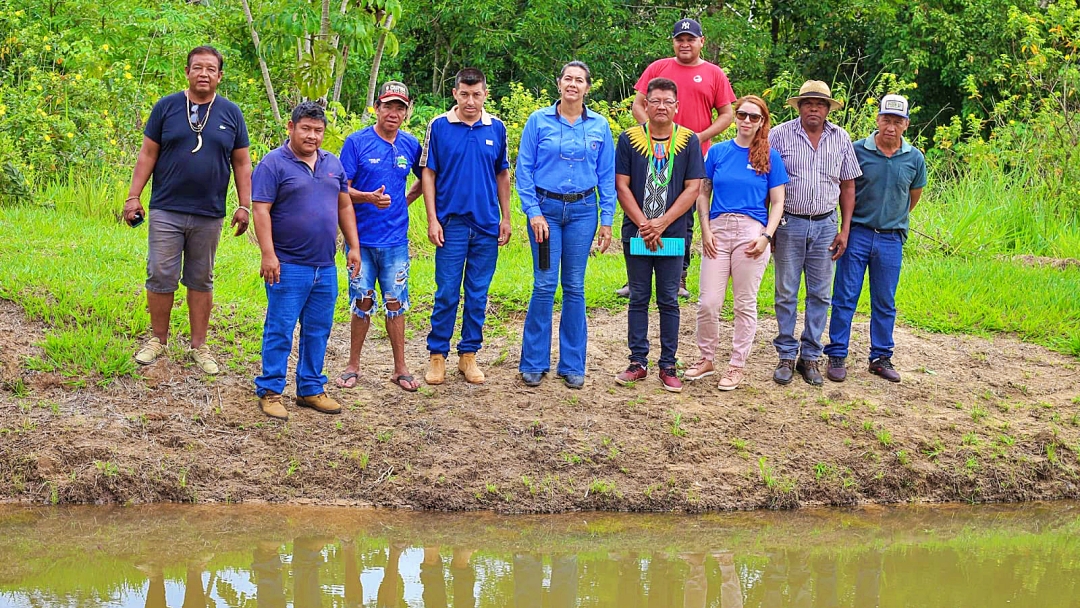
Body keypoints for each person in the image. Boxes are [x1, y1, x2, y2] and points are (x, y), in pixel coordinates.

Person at [123, 45, 252, 375]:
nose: (204, 74)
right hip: (167, 207)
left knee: (200, 278)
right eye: (198, 67)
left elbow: (241, 162)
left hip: (209, 212)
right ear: (187, 71)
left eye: (211, 69)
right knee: (160, 273)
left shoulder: (230, 113)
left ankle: (199, 346)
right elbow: (147, 155)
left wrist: (243, 205)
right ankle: (157, 340)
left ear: (220, 76)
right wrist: (133, 196)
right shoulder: (166, 107)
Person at [250, 102, 361, 421]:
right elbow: (261, 211)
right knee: (280, 329)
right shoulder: (273, 164)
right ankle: (271, 391)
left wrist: (353, 246)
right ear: (291, 127)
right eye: (306, 129)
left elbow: (344, 208)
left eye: (318, 130)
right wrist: (268, 254)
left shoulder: (333, 164)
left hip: (325, 266)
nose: (312, 136)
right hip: (287, 265)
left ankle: (310, 388)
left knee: (318, 329)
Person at [615, 18, 736, 299]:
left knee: (685, 213)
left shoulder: (714, 73)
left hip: (690, 155)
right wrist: (651, 134)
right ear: (673, 42)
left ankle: (678, 276)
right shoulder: (658, 67)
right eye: (680, 39)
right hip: (650, 152)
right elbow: (637, 103)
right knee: (641, 204)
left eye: (690, 39)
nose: (685, 44)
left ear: (701, 42)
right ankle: (635, 277)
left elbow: (727, 115)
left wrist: (696, 139)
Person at [515, 61, 616, 389]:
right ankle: (533, 361)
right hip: (544, 211)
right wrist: (533, 212)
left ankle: (573, 364)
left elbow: (607, 177)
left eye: (580, 80)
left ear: (587, 87)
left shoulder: (600, 126)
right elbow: (524, 170)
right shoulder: (538, 121)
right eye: (568, 79)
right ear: (559, 84)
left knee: (574, 285)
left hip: (583, 212)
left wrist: (607, 220)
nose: (573, 84)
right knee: (544, 284)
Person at [685, 95, 787, 390]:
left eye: (754, 117)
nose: (746, 121)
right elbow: (703, 192)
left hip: (751, 231)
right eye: (742, 114)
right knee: (709, 302)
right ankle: (706, 357)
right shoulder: (717, 152)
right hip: (717, 228)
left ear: (762, 122)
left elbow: (778, 201)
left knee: (744, 303)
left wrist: (766, 236)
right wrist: (705, 229)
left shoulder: (770, 156)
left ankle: (736, 364)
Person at [824, 94, 926, 383]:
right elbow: (846, 190)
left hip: (891, 238)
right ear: (877, 119)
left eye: (897, 121)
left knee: (885, 300)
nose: (890, 127)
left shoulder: (914, 158)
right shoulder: (857, 150)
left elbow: (912, 196)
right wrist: (845, 229)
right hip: (857, 233)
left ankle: (880, 357)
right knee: (845, 297)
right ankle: (837, 354)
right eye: (886, 120)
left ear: (906, 124)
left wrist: (892, 219)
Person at [420, 68, 512, 385]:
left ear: (485, 94)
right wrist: (432, 219)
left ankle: (468, 355)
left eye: (476, 94)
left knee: (477, 294)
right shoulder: (440, 126)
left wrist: (507, 217)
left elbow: (502, 174)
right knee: (446, 293)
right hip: (451, 224)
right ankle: (437, 356)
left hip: (486, 225)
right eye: (464, 94)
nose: (470, 101)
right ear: (455, 94)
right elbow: (428, 174)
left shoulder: (497, 128)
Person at [613, 77, 704, 393]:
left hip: (673, 234)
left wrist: (662, 223)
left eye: (668, 101)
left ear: (677, 107)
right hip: (636, 231)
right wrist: (643, 224)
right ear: (645, 105)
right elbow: (621, 185)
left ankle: (668, 364)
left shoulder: (689, 141)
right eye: (656, 101)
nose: (661, 106)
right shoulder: (628, 139)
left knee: (668, 299)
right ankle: (637, 362)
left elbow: (693, 187)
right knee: (638, 298)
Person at [768, 80, 861, 386]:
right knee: (786, 292)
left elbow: (848, 186)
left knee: (821, 294)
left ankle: (810, 357)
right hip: (788, 222)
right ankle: (785, 354)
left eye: (820, 104)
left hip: (825, 224)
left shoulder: (841, 138)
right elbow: (766, 183)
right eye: (808, 103)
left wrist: (844, 229)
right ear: (799, 106)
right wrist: (767, 230)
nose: (813, 109)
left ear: (827, 109)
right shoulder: (779, 135)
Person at [336, 81, 423, 392]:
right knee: (362, 302)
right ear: (376, 107)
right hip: (360, 241)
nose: (394, 113)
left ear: (406, 112)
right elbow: (340, 188)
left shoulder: (411, 145)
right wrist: (367, 198)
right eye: (388, 106)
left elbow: (427, 177)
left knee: (396, 303)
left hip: (396, 241)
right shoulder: (356, 143)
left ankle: (400, 368)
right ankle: (352, 365)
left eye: (400, 107)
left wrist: (405, 200)